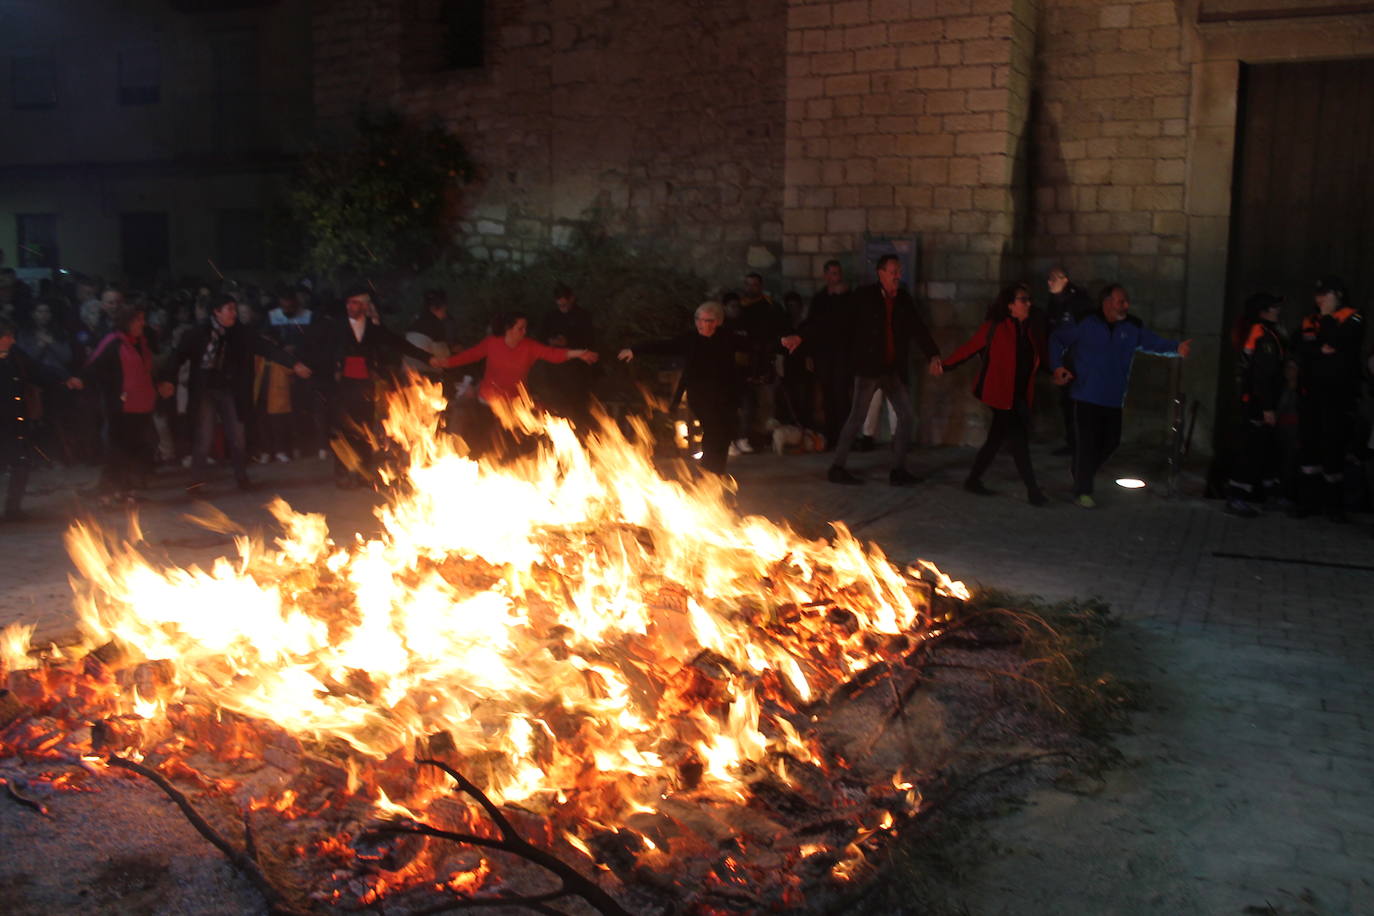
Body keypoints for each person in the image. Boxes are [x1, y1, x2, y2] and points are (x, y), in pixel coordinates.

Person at [1050, 284, 1191, 508]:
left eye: (1126, 301)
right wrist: (1057, 367)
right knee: (1087, 444)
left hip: (1113, 398)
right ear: (1106, 302)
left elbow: (1153, 343)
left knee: (1111, 442)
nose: (1125, 305)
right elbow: (1057, 339)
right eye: (1120, 301)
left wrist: (1176, 348)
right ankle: (1082, 491)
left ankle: (1081, 472)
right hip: (1086, 395)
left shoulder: (1132, 326)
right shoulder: (1085, 322)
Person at [619, 301, 793, 475]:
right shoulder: (691, 339)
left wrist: (781, 342)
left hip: (725, 394)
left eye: (707, 320)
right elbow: (664, 345)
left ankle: (717, 471)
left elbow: (756, 344)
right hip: (700, 394)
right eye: (698, 319)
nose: (701, 324)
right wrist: (635, 350)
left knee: (725, 432)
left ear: (717, 322)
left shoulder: (727, 337)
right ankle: (709, 472)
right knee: (713, 428)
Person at [166, 293, 312, 492]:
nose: (234, 313)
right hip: (205, 389)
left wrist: (293, 364)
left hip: (231, 389)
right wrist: (167, 380)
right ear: (217, 312)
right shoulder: (198, 333)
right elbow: (178, 356)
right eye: (229, 309)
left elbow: (266, 348)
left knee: (237, 435)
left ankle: (241, 477)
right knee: (204, 436)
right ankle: (196, 480)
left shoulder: (241, 333)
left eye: (234, 309)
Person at [823, 254, 942, 486]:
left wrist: (933, 353)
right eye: (893, 272)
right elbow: (840, 323)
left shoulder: (903, 299)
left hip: (891, 370)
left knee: (907, 416)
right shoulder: (865, 296)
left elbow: (918, 327)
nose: (898, 276)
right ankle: (837, 467)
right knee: (857, 418)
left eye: (899, 271)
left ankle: (898, 470)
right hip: (868, 370)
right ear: (881, 273)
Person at [938, 284, 1048, 506]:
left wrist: (1055, 372)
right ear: (1010, 306)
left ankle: (973, 479)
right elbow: (969, 348)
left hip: (1018, 395)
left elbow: (1039, 357)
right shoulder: (995, 328)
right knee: (1018, 441)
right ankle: (1033, 489)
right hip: (1001, 396)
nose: (1028, 303)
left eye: (1028, 299)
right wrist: (945, 365)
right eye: (1023, 299)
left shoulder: (1029, 329)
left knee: (996, 439)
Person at [328, 286, 443, 487]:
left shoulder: (374, 329)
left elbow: (398, 343)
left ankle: (363, 472)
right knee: (343, 428)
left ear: (364, 306)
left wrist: (427, 357)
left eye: (355, 303)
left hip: (365, 385)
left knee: (365, 429)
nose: (350, 306)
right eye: (348, 303)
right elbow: (322, 349)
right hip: (343, 385)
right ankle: (343, 473)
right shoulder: (335, 326)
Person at [1290, 276, 1365, 521]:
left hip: (1338, 394)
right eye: (1318, 295)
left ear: (1338, 295)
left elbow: (1340, 343)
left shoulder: (1354, 317)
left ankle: (1334, 506)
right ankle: (1307, 502)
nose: (1320, 299)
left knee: (1334, 446)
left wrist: (1328, 322)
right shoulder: (1309, 320)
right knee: (1309, 445)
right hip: (1310, 392)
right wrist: (1319, 349)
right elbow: (1300, 347)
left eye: (1325, 294)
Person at [83, 303, 165, 502]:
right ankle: (112, 491)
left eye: (143, 319)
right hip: (121, 407)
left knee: (136, 448)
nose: (142, 324)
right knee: (119, 449)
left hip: (142, 405)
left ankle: (126, 490)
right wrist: (115, 390)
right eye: (138, 320)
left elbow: (146, 370)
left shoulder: (141, 342)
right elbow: (94, 366)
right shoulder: (113, 342)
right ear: (127, 322)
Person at [0, 319, 82, 520]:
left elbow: (38, 370)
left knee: (21, 463)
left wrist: (64, 378)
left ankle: (13, 510)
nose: (11, 340)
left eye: (11, 336)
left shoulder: (15, 356)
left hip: (15, 423)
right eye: (6, 336)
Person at [1223, 292, 1286, 517]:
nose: (1278, 310)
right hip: (1258, 403)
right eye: (1274, 307)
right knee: (1251, 449)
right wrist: (1268, 407)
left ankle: (1269, 492)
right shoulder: (1264, 336)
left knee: (1267, 448)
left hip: (1255, 400)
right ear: (1264, 311)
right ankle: (1237, 495)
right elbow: (1262, 375)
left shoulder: (1259, 331)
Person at [798, 259, 852, 447]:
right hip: (823, 354)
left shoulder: (848, 297)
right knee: (828, 395)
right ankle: (832, 436)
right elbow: (812, 325)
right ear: (826, 275)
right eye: (833, 273)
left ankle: (846, 437)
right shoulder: (820, 298)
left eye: (839, 273)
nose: (836, 277)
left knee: (842, 395)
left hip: (842, 353)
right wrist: (809, 354)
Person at [535, 283, 598, 430]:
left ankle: (582, 437)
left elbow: (589, 340)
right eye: (560, 305)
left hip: (577, 371)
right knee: (556, 405)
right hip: (555, 370)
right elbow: (540, 338)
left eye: (565, 304)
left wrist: (569, 342)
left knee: (578, 407)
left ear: (572, 299)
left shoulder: (582, 316)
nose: (562, 307)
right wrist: (551, 341)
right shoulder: (551, 316)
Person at [1046, 267, 1094, 456]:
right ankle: (1073, 443)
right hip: (1063, 359)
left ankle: (1084, 444)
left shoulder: (1078, 301)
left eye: (1053, 279)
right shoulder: (1055, 301)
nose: (1049, 283)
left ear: (1064, 279)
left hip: (1078, 360)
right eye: (1048, 279)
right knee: (1067, 403)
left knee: (1079, 404)